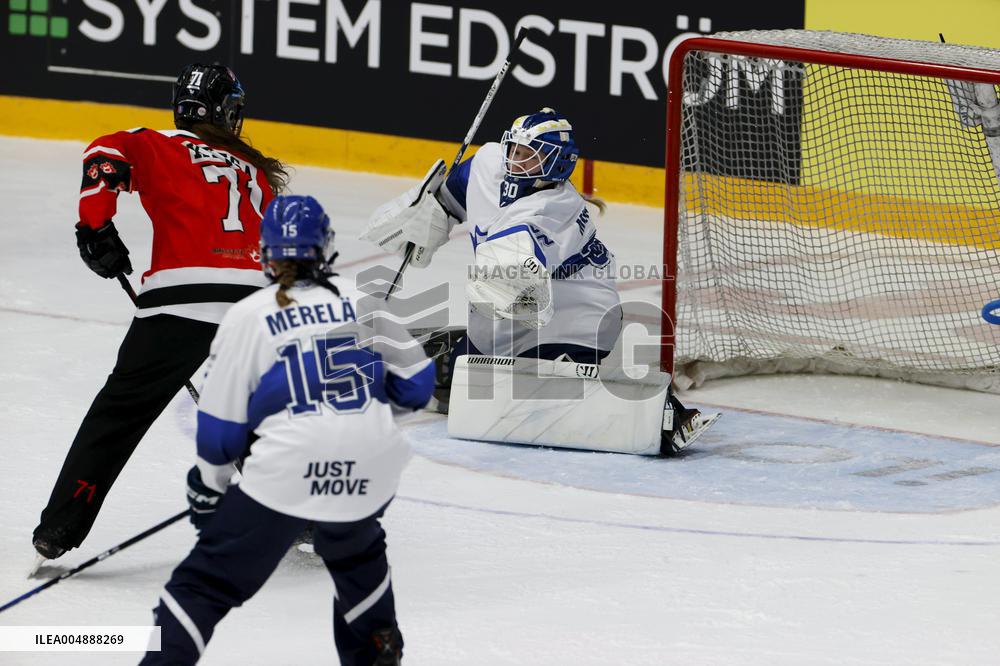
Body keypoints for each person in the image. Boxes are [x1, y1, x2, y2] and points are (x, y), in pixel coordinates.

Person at [140, 195, 432, 666]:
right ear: (325, 247)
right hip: (374, 463)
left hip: (288, 466)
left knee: (202, 584)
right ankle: (377, 642)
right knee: (356, 556)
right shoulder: (361, 297)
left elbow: (219, 430)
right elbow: (418, 385)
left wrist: (208, 489)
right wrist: (358, 422)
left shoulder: (250, 313)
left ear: (266, 253)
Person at [31, 63, 288, 564]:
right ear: (230, 113)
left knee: (119, 414)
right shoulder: (255, 172)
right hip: (256, 307)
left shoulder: (157, 141)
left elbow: (104, 153)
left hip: (181, 299)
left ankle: (61, 525)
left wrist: (94, 227)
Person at [362, 108, 718, 455]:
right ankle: (460, 350)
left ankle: (661, 413)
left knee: (520, 403)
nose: (516, 161)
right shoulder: (490, 162)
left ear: (556, 164)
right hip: (517, 319)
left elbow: (508, 283)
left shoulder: (555, 208)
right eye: (514, 150)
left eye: (530, 156)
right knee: (438, 386)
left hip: (576, 323)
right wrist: (429, 211)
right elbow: (455, 191)